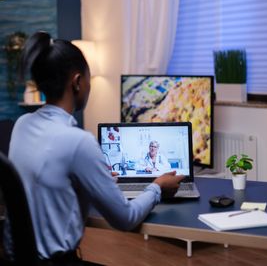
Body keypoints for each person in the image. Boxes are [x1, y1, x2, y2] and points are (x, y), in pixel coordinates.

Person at [4, 32, 184, 265]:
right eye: (89, 79)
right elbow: (126, 219)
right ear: (77, 82)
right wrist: (157, 187)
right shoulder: (79, 142)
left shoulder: (21, 125)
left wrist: (91, 179)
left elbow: (49, 182)